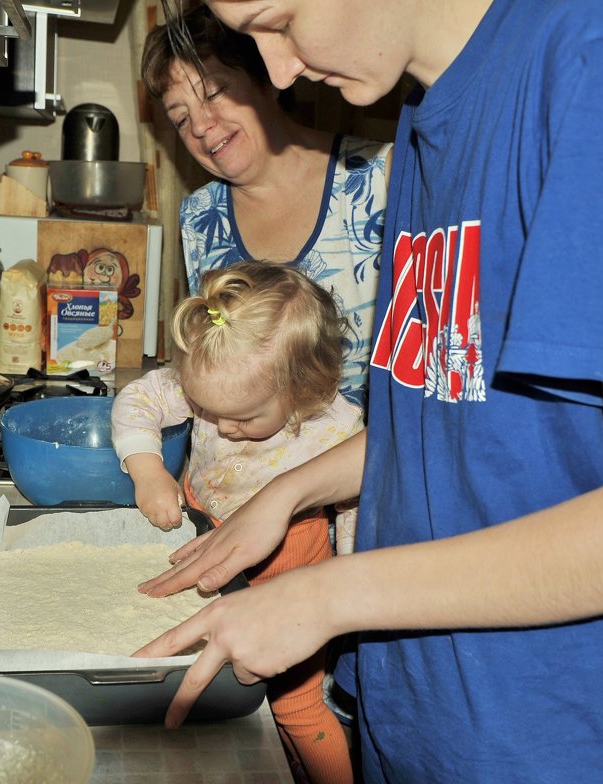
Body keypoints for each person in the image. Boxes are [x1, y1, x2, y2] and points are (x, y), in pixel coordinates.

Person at [134, 1, 603, 781]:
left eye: (280, 19)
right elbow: (442, 422)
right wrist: (289, 494)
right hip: (420, 715)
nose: (279, 69)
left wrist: (324, 598)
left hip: (567, 741)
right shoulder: (427, 116)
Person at [112, 261, 362, 784]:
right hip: (203, 544)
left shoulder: (337, 427)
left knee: (295, 710)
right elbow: (138, 397)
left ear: (305, 389)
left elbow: (357, 502)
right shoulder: (221, 376)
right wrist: (147, 468)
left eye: (245, 419)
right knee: (197, 679)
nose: (222, 428)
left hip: (289, 569)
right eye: (205, 409)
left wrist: (347, 582)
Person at [141, 4, 391, 415]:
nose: (201, 125)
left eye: (215, 91)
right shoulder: (200, 218)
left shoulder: (378, 178)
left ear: (268, 79)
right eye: (181, 118)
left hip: (362, 472)